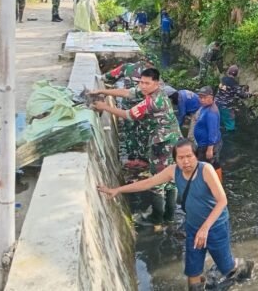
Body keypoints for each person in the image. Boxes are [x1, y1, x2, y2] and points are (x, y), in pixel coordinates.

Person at [97, 139, 254, 291]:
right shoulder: (173, 171)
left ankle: (244, 265)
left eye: (189, 156)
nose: (185, 161)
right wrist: (117, 190)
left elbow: (222, 201)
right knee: (193, 272)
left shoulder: (206, 170)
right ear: (175, 159)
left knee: (226, 267)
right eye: (181, 157)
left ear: (195, 156)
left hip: (215, 226)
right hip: (193, 227)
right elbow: (148, 183)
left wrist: (205, 228)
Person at [91, 68, 181, 230]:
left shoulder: (152, 101)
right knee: (171, 180)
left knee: (157, 181)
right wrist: (103, 90)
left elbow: (128, 115)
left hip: (163, 144)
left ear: (157, 83)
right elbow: (127, 93)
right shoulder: (155, 92)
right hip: (174, 141)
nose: (143, 86)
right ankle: (169, 217)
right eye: (141, 82)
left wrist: (104, 106)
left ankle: (157, 219)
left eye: (147, 83)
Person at [101, 55, 157, 169]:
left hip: (129, 105)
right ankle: (143, 159)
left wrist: (102, 82)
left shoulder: (127, 67)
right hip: (144, 108)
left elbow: (108, 76)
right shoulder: (152, 75)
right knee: (144, 134)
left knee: (129, 133)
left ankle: (132, 158)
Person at [194, 86, 223, 181]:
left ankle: (216, 183)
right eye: (200, 97)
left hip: (208, 145)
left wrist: (210, 149)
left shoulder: (212, 113)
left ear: (211, 97)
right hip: (203, 143)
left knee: (209, 164)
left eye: (204, 97)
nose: (201, 100)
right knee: (212, 163)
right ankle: (215, 182)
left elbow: (213, 131)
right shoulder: (205, 107)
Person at [215, 65, 251, 132]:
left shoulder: (223, 79)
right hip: (226, 107)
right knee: (230, 125)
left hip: (216, 104)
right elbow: (242, 95)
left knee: (217, 121)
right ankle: (228, 135)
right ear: (236, 74)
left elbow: (228, 87)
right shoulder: (234, 84)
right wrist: (249, 94)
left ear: (228, 72)